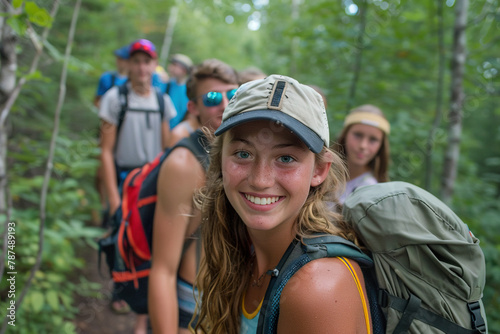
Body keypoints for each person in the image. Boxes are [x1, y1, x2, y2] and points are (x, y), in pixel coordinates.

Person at [194, 74, 372, 333]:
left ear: (319, 170)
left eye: (286, 158)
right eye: (243, 154)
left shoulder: (317, 287)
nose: (260, 180)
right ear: (220, 158)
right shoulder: (238, 245)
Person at [148, 59, 239, 333]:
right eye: (212, 98)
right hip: (194, 304)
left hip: (232, 301)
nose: (224, 103)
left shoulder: (241, 153)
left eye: (233, 94)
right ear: (193, 108)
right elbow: (162, 269)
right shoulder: (183, 164)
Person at [99, 38, 176, 333]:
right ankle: (121, 290)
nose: (142, 67)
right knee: (121, 238)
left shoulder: (162, 101)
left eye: (147, 61)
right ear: (129, 65)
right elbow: (106, 150)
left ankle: (142, 318)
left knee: (152, 244)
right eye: (137, 61)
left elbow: (168, 148)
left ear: (153, 65)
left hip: (153, 181)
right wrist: (114, 198)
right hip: (123, 179)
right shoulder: (114, 98)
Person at [332, 104, 390, 204]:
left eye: (373, 139)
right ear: (345, 135)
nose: (363, 145)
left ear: (381, 146)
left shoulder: (374, 192)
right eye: (358, 135)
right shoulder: (322, 172)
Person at [165, 53, 193, 129]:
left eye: (174, 65)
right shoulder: (167, 83)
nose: (171, 67)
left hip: (177, 131)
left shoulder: (189, 90)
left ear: (184, 70)